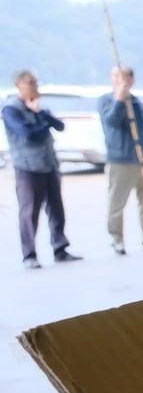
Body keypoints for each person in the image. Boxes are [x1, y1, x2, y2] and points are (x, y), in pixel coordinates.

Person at [4, 70, 80, 268]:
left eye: (36, 82)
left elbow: (60, 126)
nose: (35, 86)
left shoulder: (39, 107)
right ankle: (29, 255)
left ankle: (60, 248)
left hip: (49, 164)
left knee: (56, 208)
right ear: (19, 84)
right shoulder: (11, 109)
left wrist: (41, 113)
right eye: (31, 82)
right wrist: (44, 122)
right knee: (29, 212)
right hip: (27, 167)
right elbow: (28, 135)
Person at [99, 66, 143, 254]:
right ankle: (116, 238)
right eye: (116, 77)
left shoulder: (137, 103)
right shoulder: (106, 101)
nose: (121, 81)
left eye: (124, 77)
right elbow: (112, 121)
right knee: (117, 202)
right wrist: (119, 99)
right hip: (121, 161)